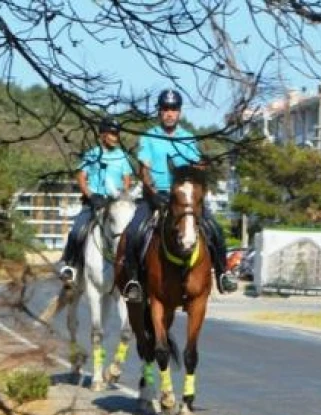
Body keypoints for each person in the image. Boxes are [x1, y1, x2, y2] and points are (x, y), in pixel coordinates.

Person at [120, 89, 237, 303]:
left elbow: (195, 166)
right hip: (156, 195)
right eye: (165, 109)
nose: (169, 113)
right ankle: (134, 280)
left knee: (214, 228)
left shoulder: (188, 137)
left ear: (179, 112)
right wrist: (153, 193)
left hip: (184, 198)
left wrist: (202, 173)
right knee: (134, 230)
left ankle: (223, 273)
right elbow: (143, 169)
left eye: (173, 109)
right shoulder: (149, 137)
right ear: (159, 112)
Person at [57, 116, 134, 283]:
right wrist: (90, 195)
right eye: (112, 133)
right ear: (102, 135)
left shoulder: (122, 157)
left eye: (117, 134)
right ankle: (70, 265)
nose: (115, 137)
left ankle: (131, 272)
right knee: (78, 230)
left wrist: (123, 195)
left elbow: (127, 179)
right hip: (94, 201)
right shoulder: (92, 154)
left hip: (114, 202)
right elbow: (81, 177)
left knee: (129, 233)